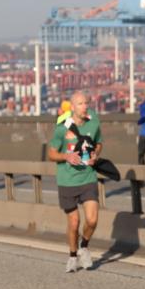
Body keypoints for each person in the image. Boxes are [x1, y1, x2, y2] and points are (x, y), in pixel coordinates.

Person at [46, 91, 103, 273]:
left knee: (92, 220)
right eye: (80, 104)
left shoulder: (93, 122)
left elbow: (98, 143)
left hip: (88, 177)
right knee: (74, 222)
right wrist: (66, 156)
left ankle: (83, 247)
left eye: (86, 103)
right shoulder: (62, 128)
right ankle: (72, 256)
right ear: (72, 107)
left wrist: (95, 154)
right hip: (67, 180)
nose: (85, 106)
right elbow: (51, 153)